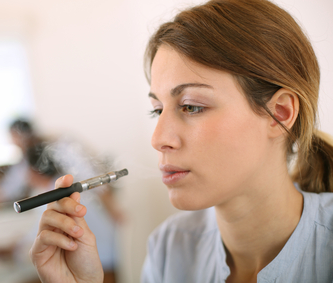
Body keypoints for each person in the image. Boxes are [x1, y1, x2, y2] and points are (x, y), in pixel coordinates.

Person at [28, 0, 333, 282]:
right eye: (157, 110)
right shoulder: (169, 248)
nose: (158, 139)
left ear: (279, 113)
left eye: (191, 106)